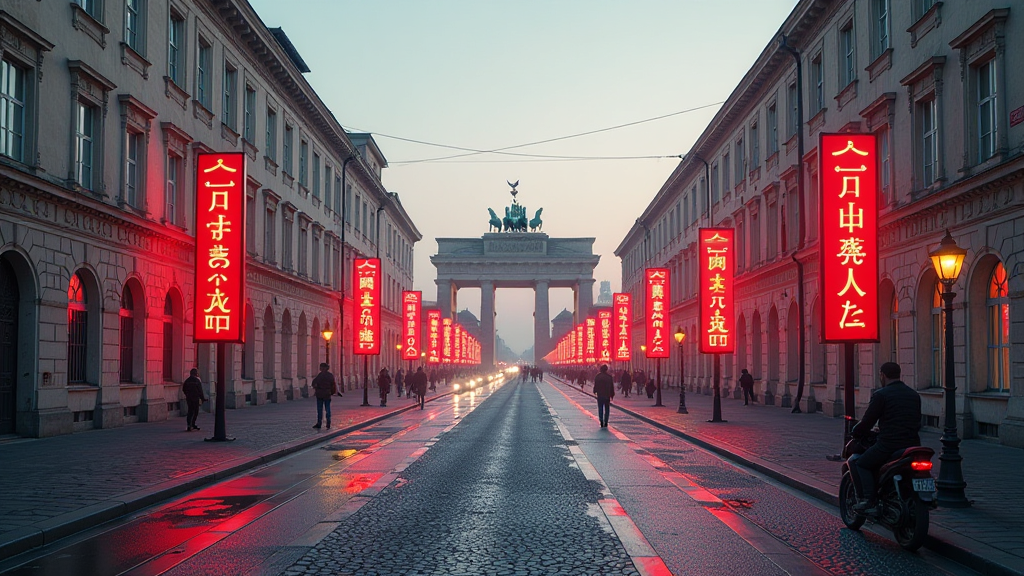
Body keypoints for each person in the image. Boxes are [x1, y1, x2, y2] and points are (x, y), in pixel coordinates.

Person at [851, 362, 922, 515]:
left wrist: (856, 430)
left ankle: (869, 501)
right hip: (912, 444)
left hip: (889, 444)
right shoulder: (913, 394)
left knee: (861, 463)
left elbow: (868, 421)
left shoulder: (881, 394)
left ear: (882, 375)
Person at [311, 363, 338, 429]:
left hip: (320, 394)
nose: (320, 368)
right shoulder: (330, 375)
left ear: (323, 368)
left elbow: (314, 383)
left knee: (320, 409)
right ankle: (328, 423)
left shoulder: (320, 375)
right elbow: (333, 385)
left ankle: (319, 423)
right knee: (327, 409)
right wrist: (331, 392)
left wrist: (316, 388)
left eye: (321, 367)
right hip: (327, 394)